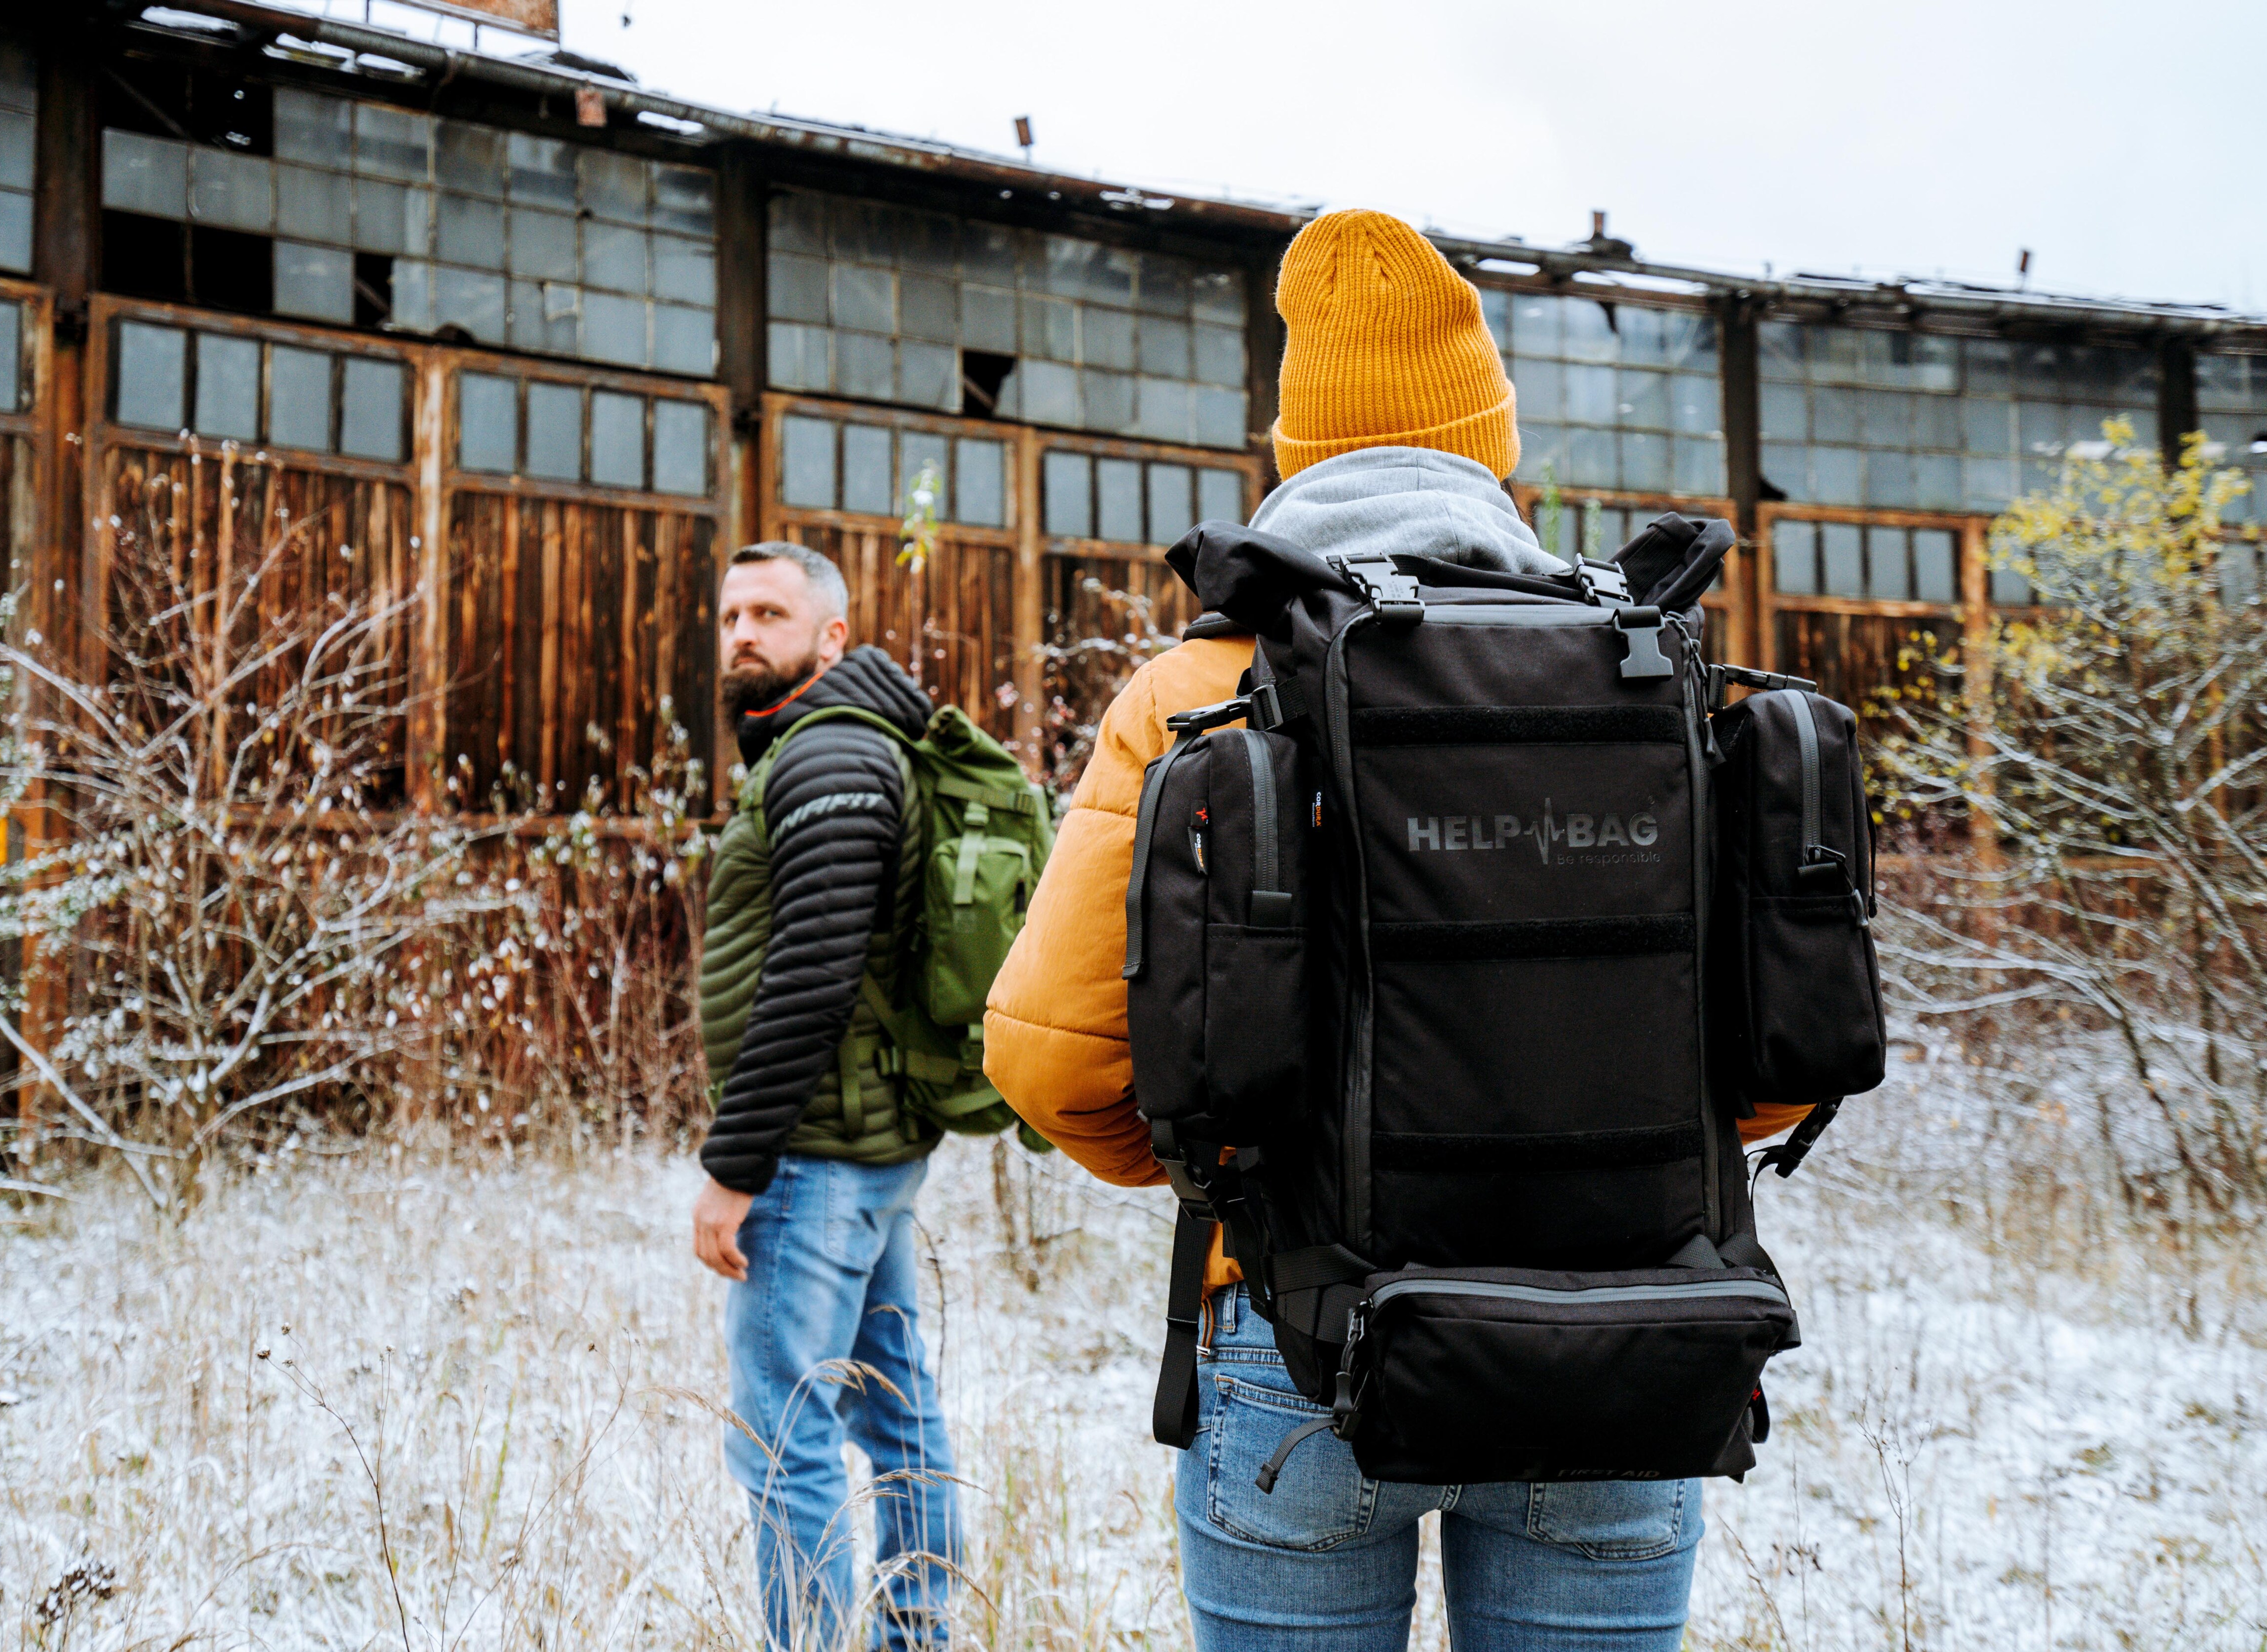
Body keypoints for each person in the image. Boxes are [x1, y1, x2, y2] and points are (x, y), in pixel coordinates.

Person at [983, 210, 1814, 1651]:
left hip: (1299, 1345)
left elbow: (1051, 1064)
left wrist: (1232, 1183)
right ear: (1494, 448)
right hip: (1625, 1340)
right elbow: (1784, 1052)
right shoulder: (1645, 669)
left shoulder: (1195, 683)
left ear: (1294, 449)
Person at [692, 541, 958, 1652]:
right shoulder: (833, 745)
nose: (744, 631)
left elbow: (812, 972)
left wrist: (732, 1165)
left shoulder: (830, 755)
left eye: (771, 612)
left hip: (814, 1154)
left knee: (782, 1429)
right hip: (867, 1145)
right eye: (731, 614)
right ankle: (916, 1635)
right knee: (894, 1409)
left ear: (832, 637)